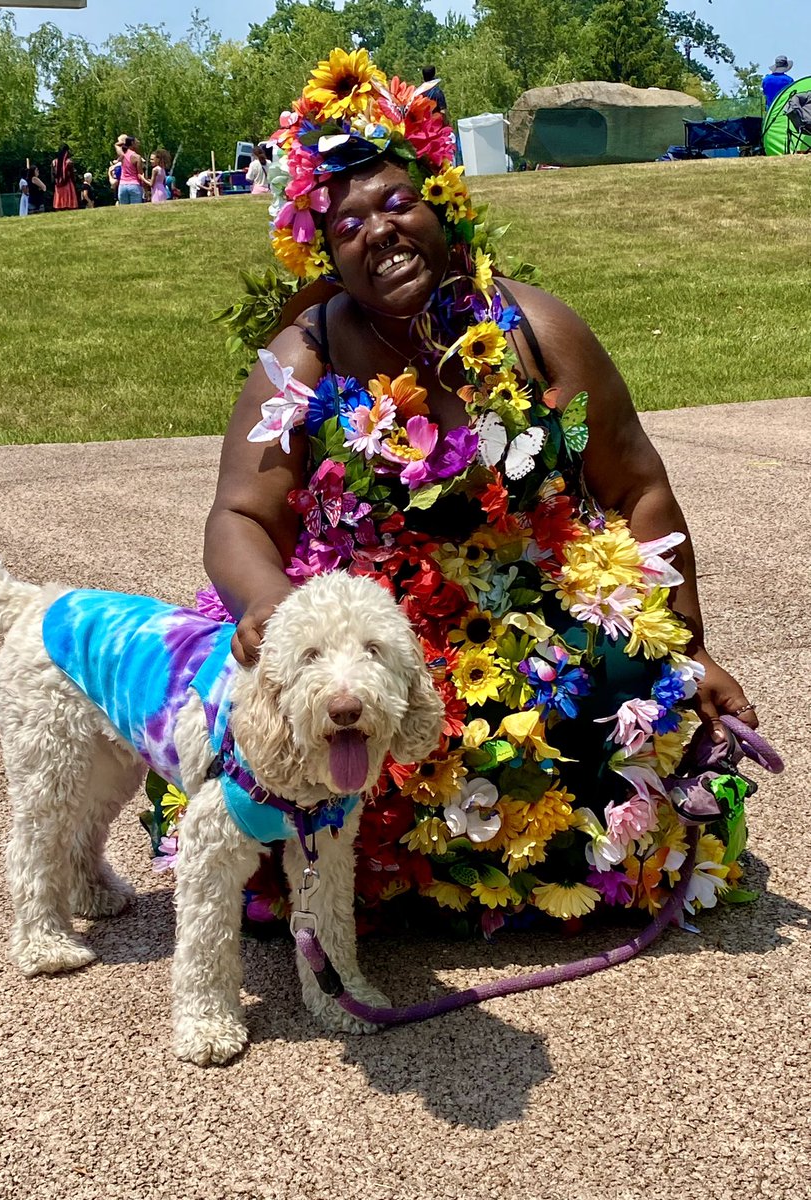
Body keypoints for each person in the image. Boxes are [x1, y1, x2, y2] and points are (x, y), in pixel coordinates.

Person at [191, 48, 762, 936]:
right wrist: (271, 609)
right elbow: (239, 516)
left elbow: (640, 490)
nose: (377, 231)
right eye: (346, 225)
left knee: (627, 679)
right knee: (243, 732)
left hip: (527, 634)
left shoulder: (539, 333)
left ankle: (488, 858)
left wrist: (690, 653)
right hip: (368, 653)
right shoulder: (300, 363)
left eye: (397, 202)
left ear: (445, 206)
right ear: (324, 251)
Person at [116, 135, 144, 205]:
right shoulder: (137, 157)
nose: (138, 143)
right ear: (132, 143)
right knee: (136, 210)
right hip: (134, 185)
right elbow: (140, 174)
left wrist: (123, 142)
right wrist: (145, 187)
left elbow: (116, 145)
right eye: (136, 142)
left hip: (122, 185)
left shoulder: (122, 154)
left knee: (124, 211)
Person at [52, 144, 78, 211]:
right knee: (69, 206)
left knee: (59, 207)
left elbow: (53, 175)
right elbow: (72, 175)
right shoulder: (69, 162)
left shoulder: (54, 162)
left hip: (58, 186)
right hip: (68, 184)